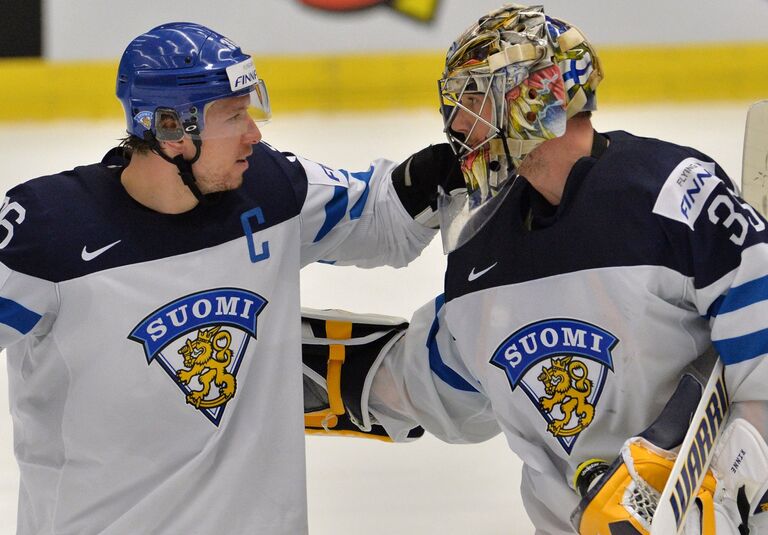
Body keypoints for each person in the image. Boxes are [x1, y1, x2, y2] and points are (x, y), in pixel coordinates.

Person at [302, 4, 768, 534]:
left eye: (476, 96)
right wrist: (272, 372)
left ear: (539, 94)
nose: (457, 122)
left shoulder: (672, 192)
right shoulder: (481, 245)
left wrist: (728, 485)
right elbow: (439, 383)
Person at [0, 22, 460, 534]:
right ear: (171, 128)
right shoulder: (49, 232)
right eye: (234, 116)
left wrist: (458, 165)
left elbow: (379, 218)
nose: (254, 133)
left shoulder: (270, 190)